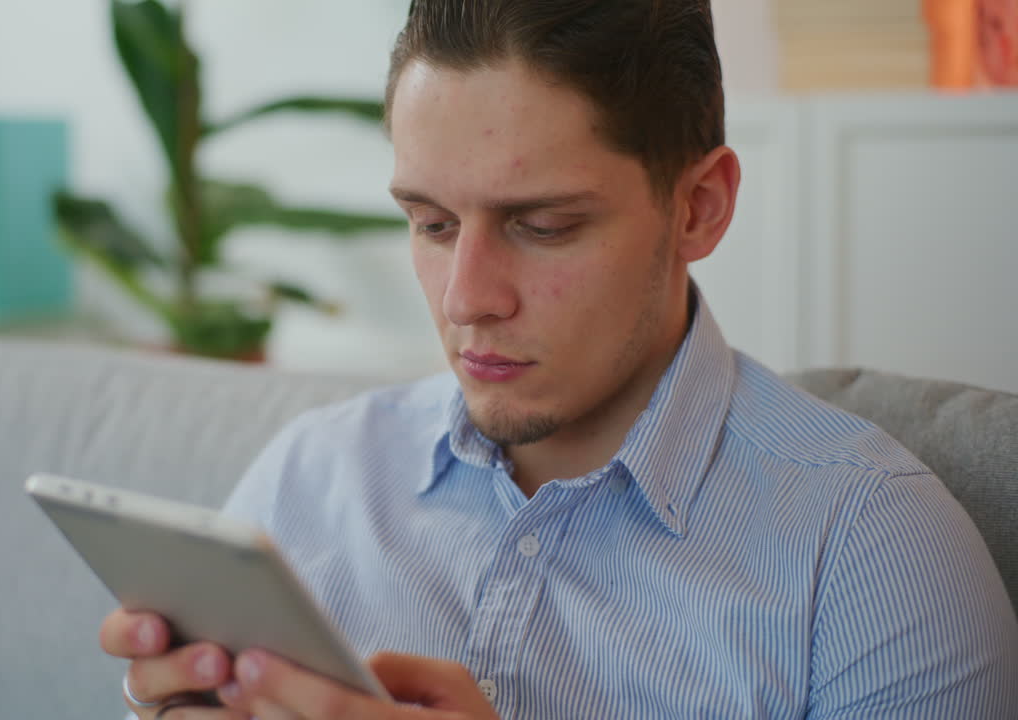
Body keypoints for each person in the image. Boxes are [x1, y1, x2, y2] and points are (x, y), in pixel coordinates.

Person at [103, 1, 1018, 717]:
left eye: (542, 227)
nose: (467, 298)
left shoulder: (870, 555)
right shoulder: (306, 483)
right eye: (430, 223)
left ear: (698, 207)